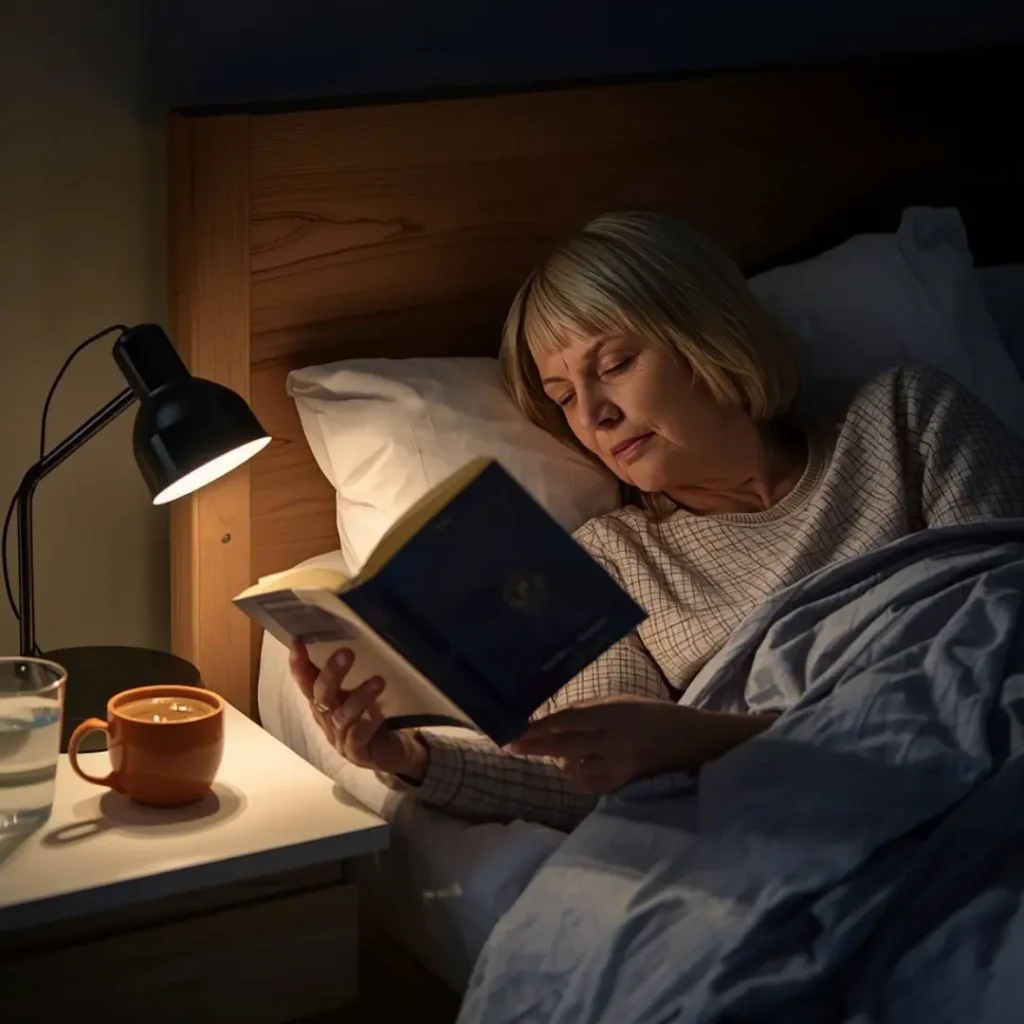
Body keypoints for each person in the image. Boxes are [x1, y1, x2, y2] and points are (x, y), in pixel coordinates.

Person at [290, 210, 1024, 831]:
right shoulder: (611, 561)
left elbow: (996, 645)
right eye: (563, 396)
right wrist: (410, 757)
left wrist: (714, 740)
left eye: (613, 365)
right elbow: (575, 765)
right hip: (808, 822)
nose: (595, 415)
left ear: (706, 335)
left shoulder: (905, 420)